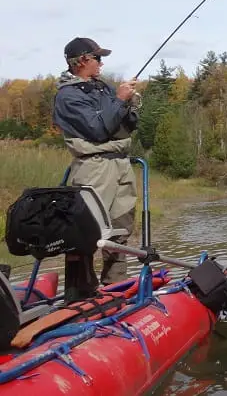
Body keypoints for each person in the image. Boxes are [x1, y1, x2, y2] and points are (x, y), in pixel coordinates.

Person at [52, 37, 140, 297]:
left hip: (121, 163)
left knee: (120, 229)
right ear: (82, 61)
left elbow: (124, 124)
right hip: (94, 166)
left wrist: (130, 104)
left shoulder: (102, 88)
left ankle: (115, 287)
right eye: (97, 58)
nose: (102, 63)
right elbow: (98, 130)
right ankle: (79, 294)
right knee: (86, 231)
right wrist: (119, 100)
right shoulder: (67, 96)